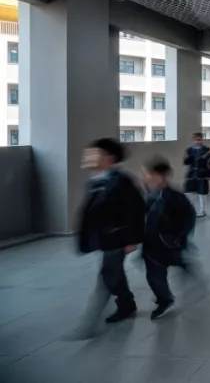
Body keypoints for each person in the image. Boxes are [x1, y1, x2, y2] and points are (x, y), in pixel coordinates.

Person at [73, 138, 145, 334]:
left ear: (109, 158)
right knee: (114, 274)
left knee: (106, 277)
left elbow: (136, 210)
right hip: (102, 238)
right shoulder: (95, 181)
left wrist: (132, 239)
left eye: (95, 153)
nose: (89, 157)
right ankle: (127, 303)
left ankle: (88, 324)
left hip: (117, 237)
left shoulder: (122, 180)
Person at [141, 157, 205, 320]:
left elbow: (189, 217)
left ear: (161, 176)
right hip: (151, 244)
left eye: (149, 174)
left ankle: (187, 268)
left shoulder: (175, 197)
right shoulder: (150, 194)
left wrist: (178, 237)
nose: (146, 177)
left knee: (176, 261)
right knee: (154, 276)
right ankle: (165, 299)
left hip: (170, 243)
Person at [182, 132, 210, 218]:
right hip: (192, 173)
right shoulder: (189, 150)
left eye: (199, 139)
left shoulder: (207, 150)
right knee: (189, 193)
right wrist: (187, 158)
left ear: (202, 139)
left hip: (202, 173)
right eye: (196, 140)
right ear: (193, 140)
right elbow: (186, 162)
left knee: (201, 194)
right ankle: (191, 210)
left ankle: (202, 211)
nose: (198, 141)